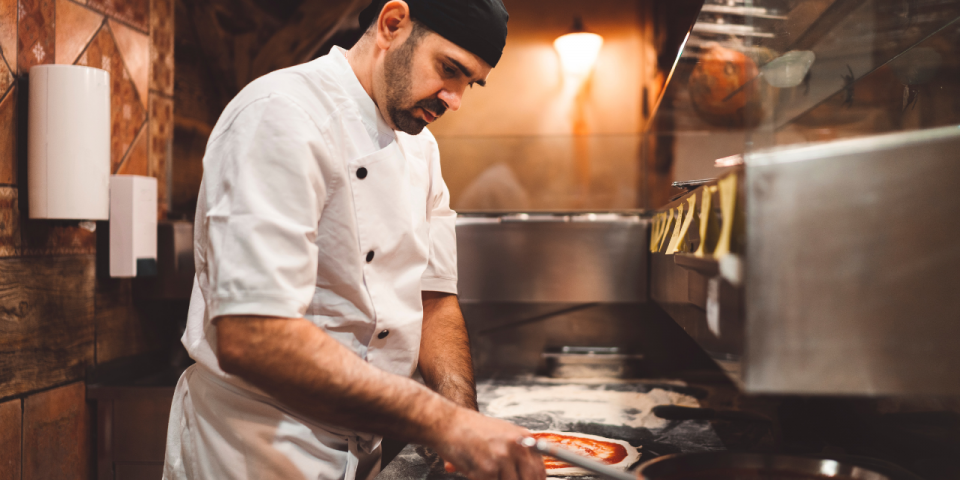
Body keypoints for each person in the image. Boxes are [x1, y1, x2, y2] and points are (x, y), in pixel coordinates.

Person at [162, 1, 547, 479]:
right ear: (391, 25)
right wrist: (442, 423)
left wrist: (464, 423)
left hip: (362, 445)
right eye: (449, 69)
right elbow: (254, 335)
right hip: (255, 448)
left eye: (470, 82)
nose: (456, 99)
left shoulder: (421, 149)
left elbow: (434, 301)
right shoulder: (280, 114)